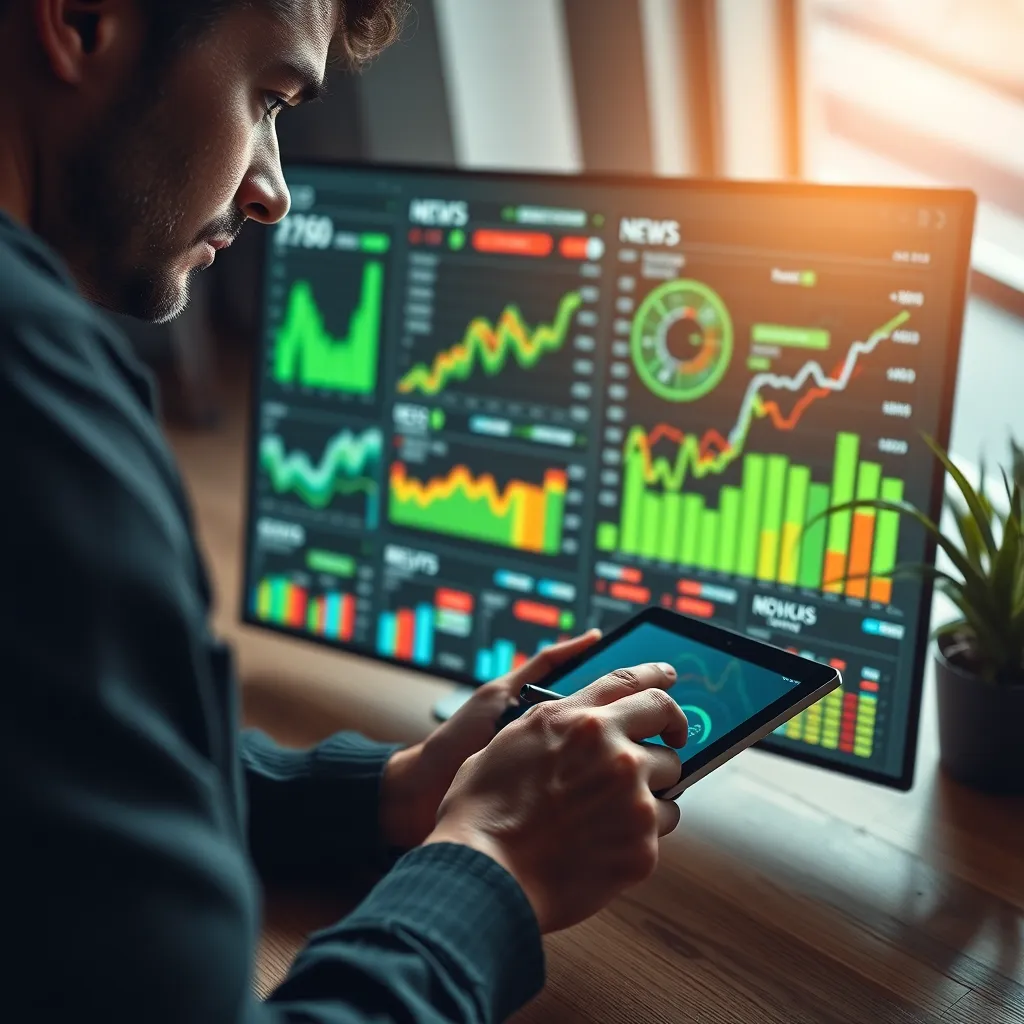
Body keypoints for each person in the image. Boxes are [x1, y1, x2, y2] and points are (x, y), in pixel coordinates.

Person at [0, 1, 688, 1020]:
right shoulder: (37, 414)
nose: (271, 189)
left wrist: (387, 792)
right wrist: (488, 861)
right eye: (267, 97)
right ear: (85, 17)